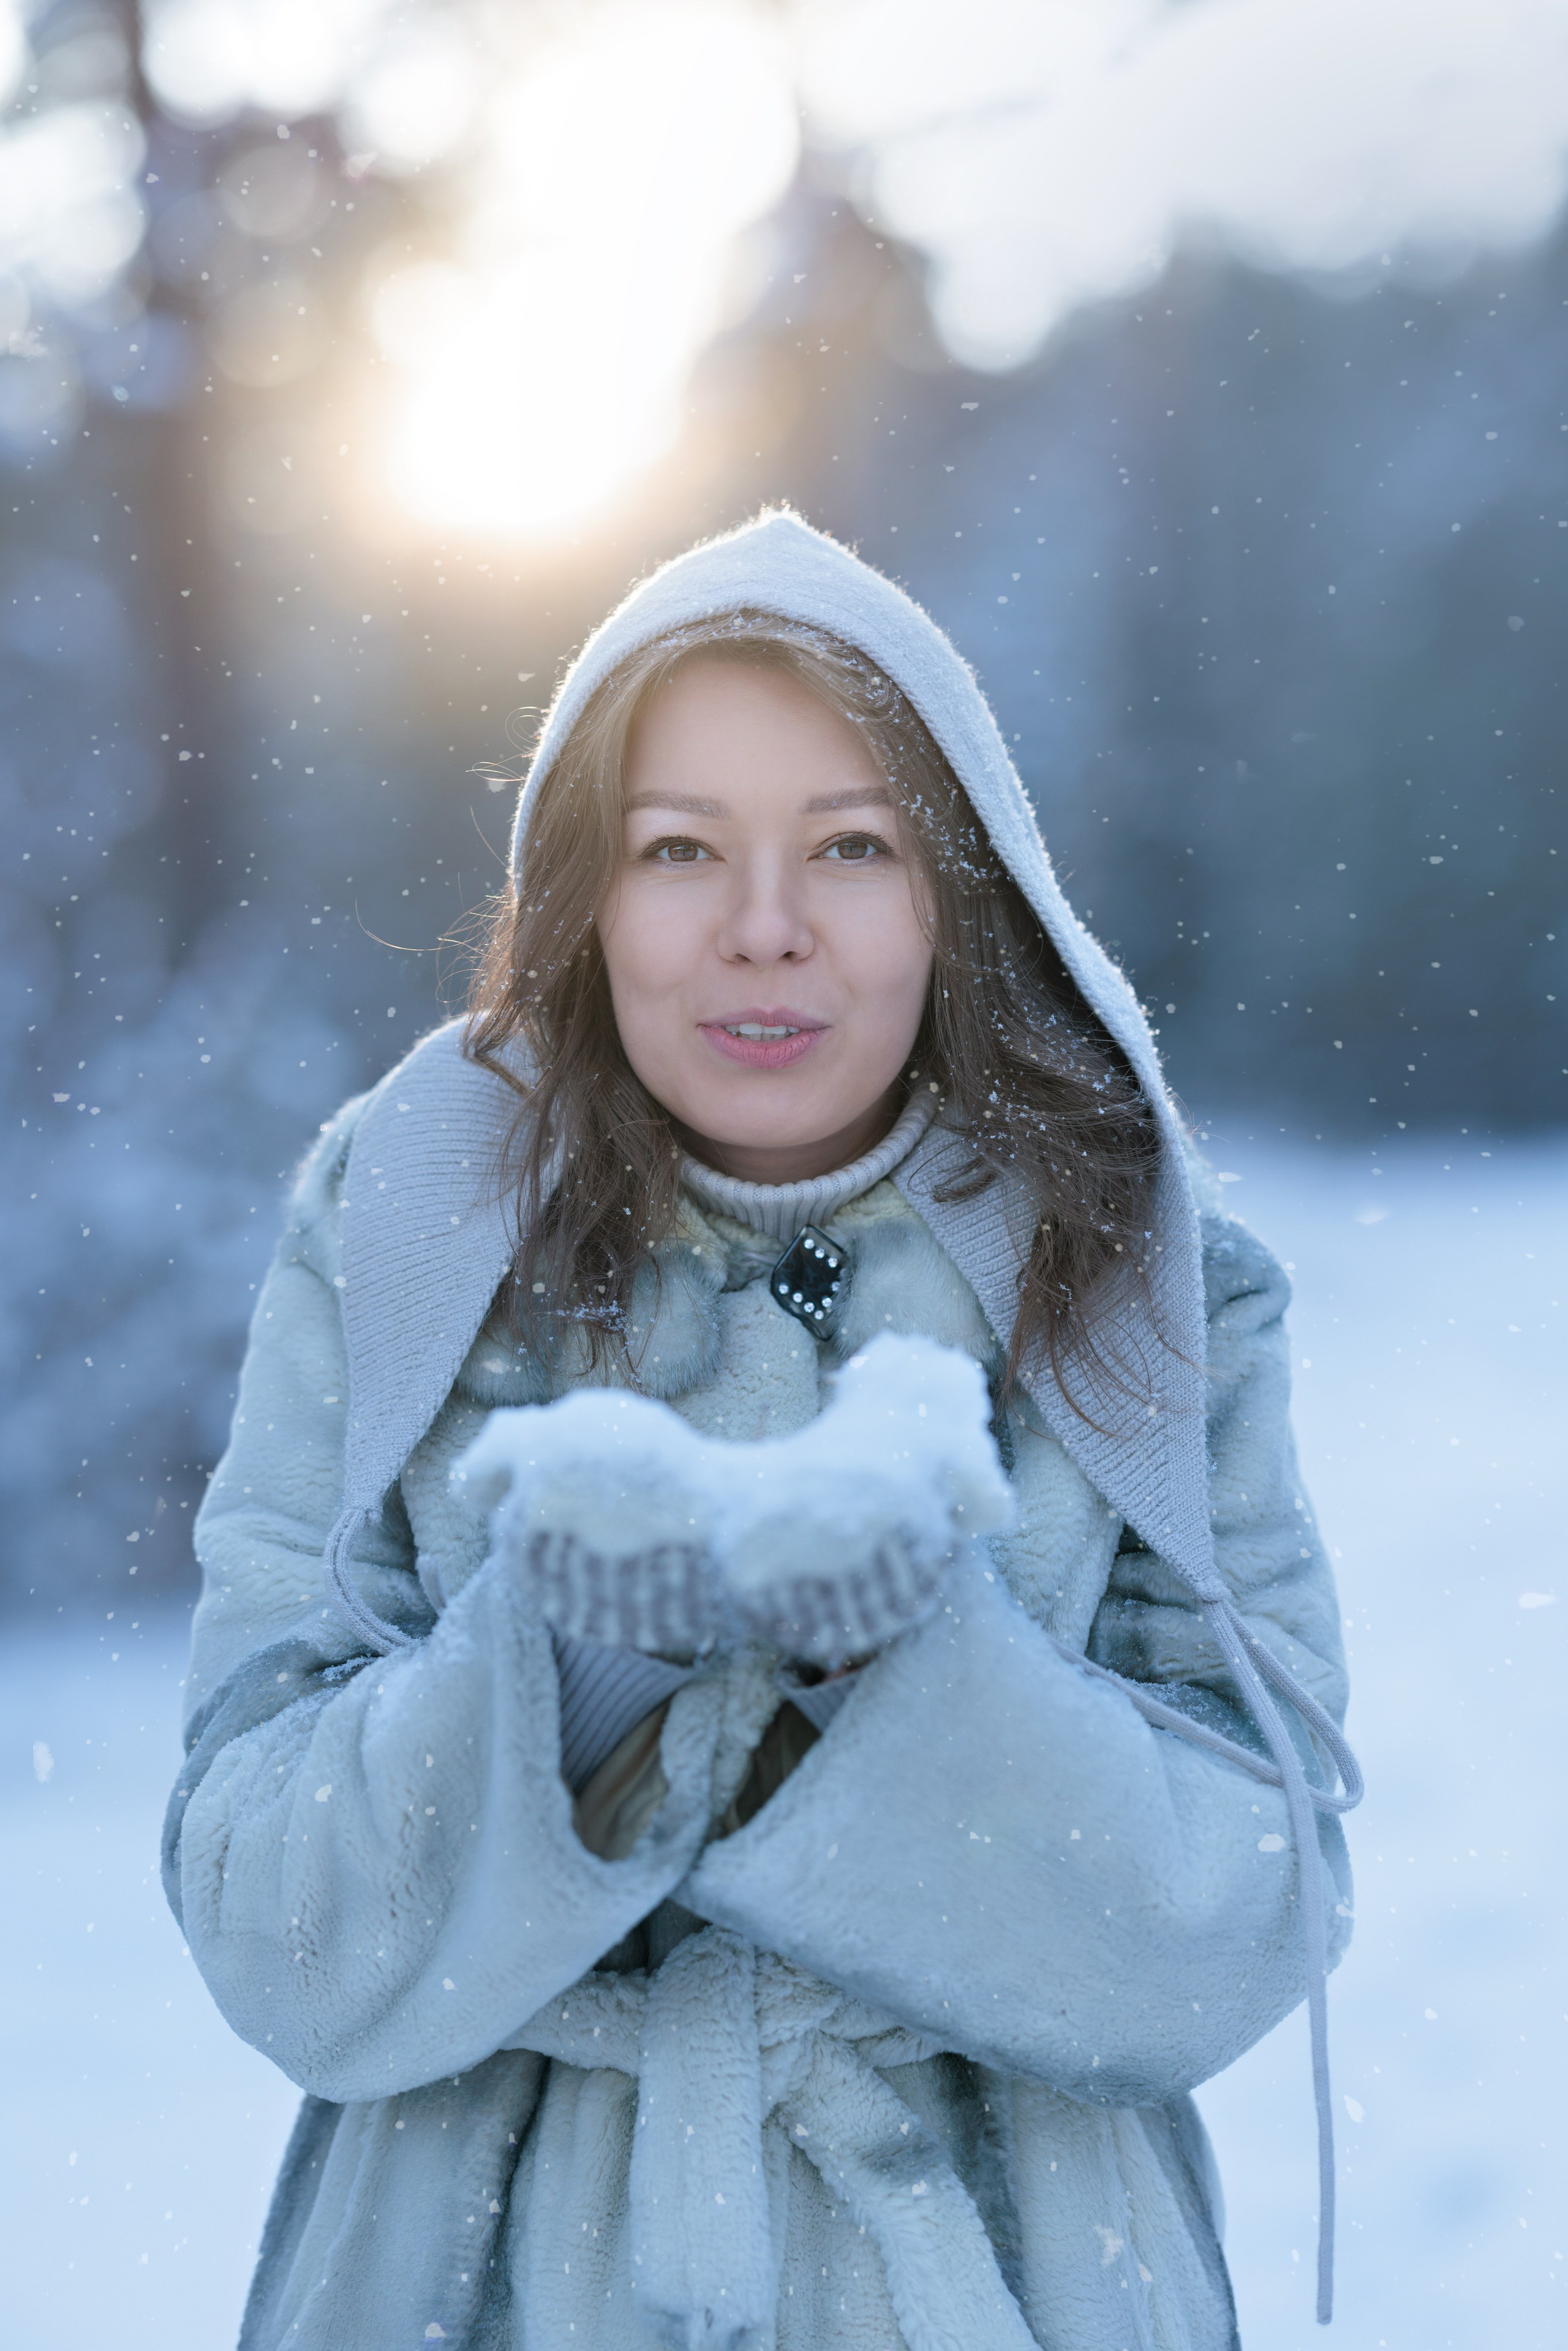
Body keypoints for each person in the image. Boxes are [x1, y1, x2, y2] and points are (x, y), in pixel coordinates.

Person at [164, 511, 1358, 2351]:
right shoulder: (402, 1227)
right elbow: (264, 1915)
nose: (765, 928)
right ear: (590, 895)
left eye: (852, 847)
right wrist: (570, 1686)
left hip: (1008, 2276)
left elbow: (1247, 1914)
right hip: (466, 2273)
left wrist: (887, 1684)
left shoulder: (1138, 1258)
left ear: (956, 891)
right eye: (678, 851)